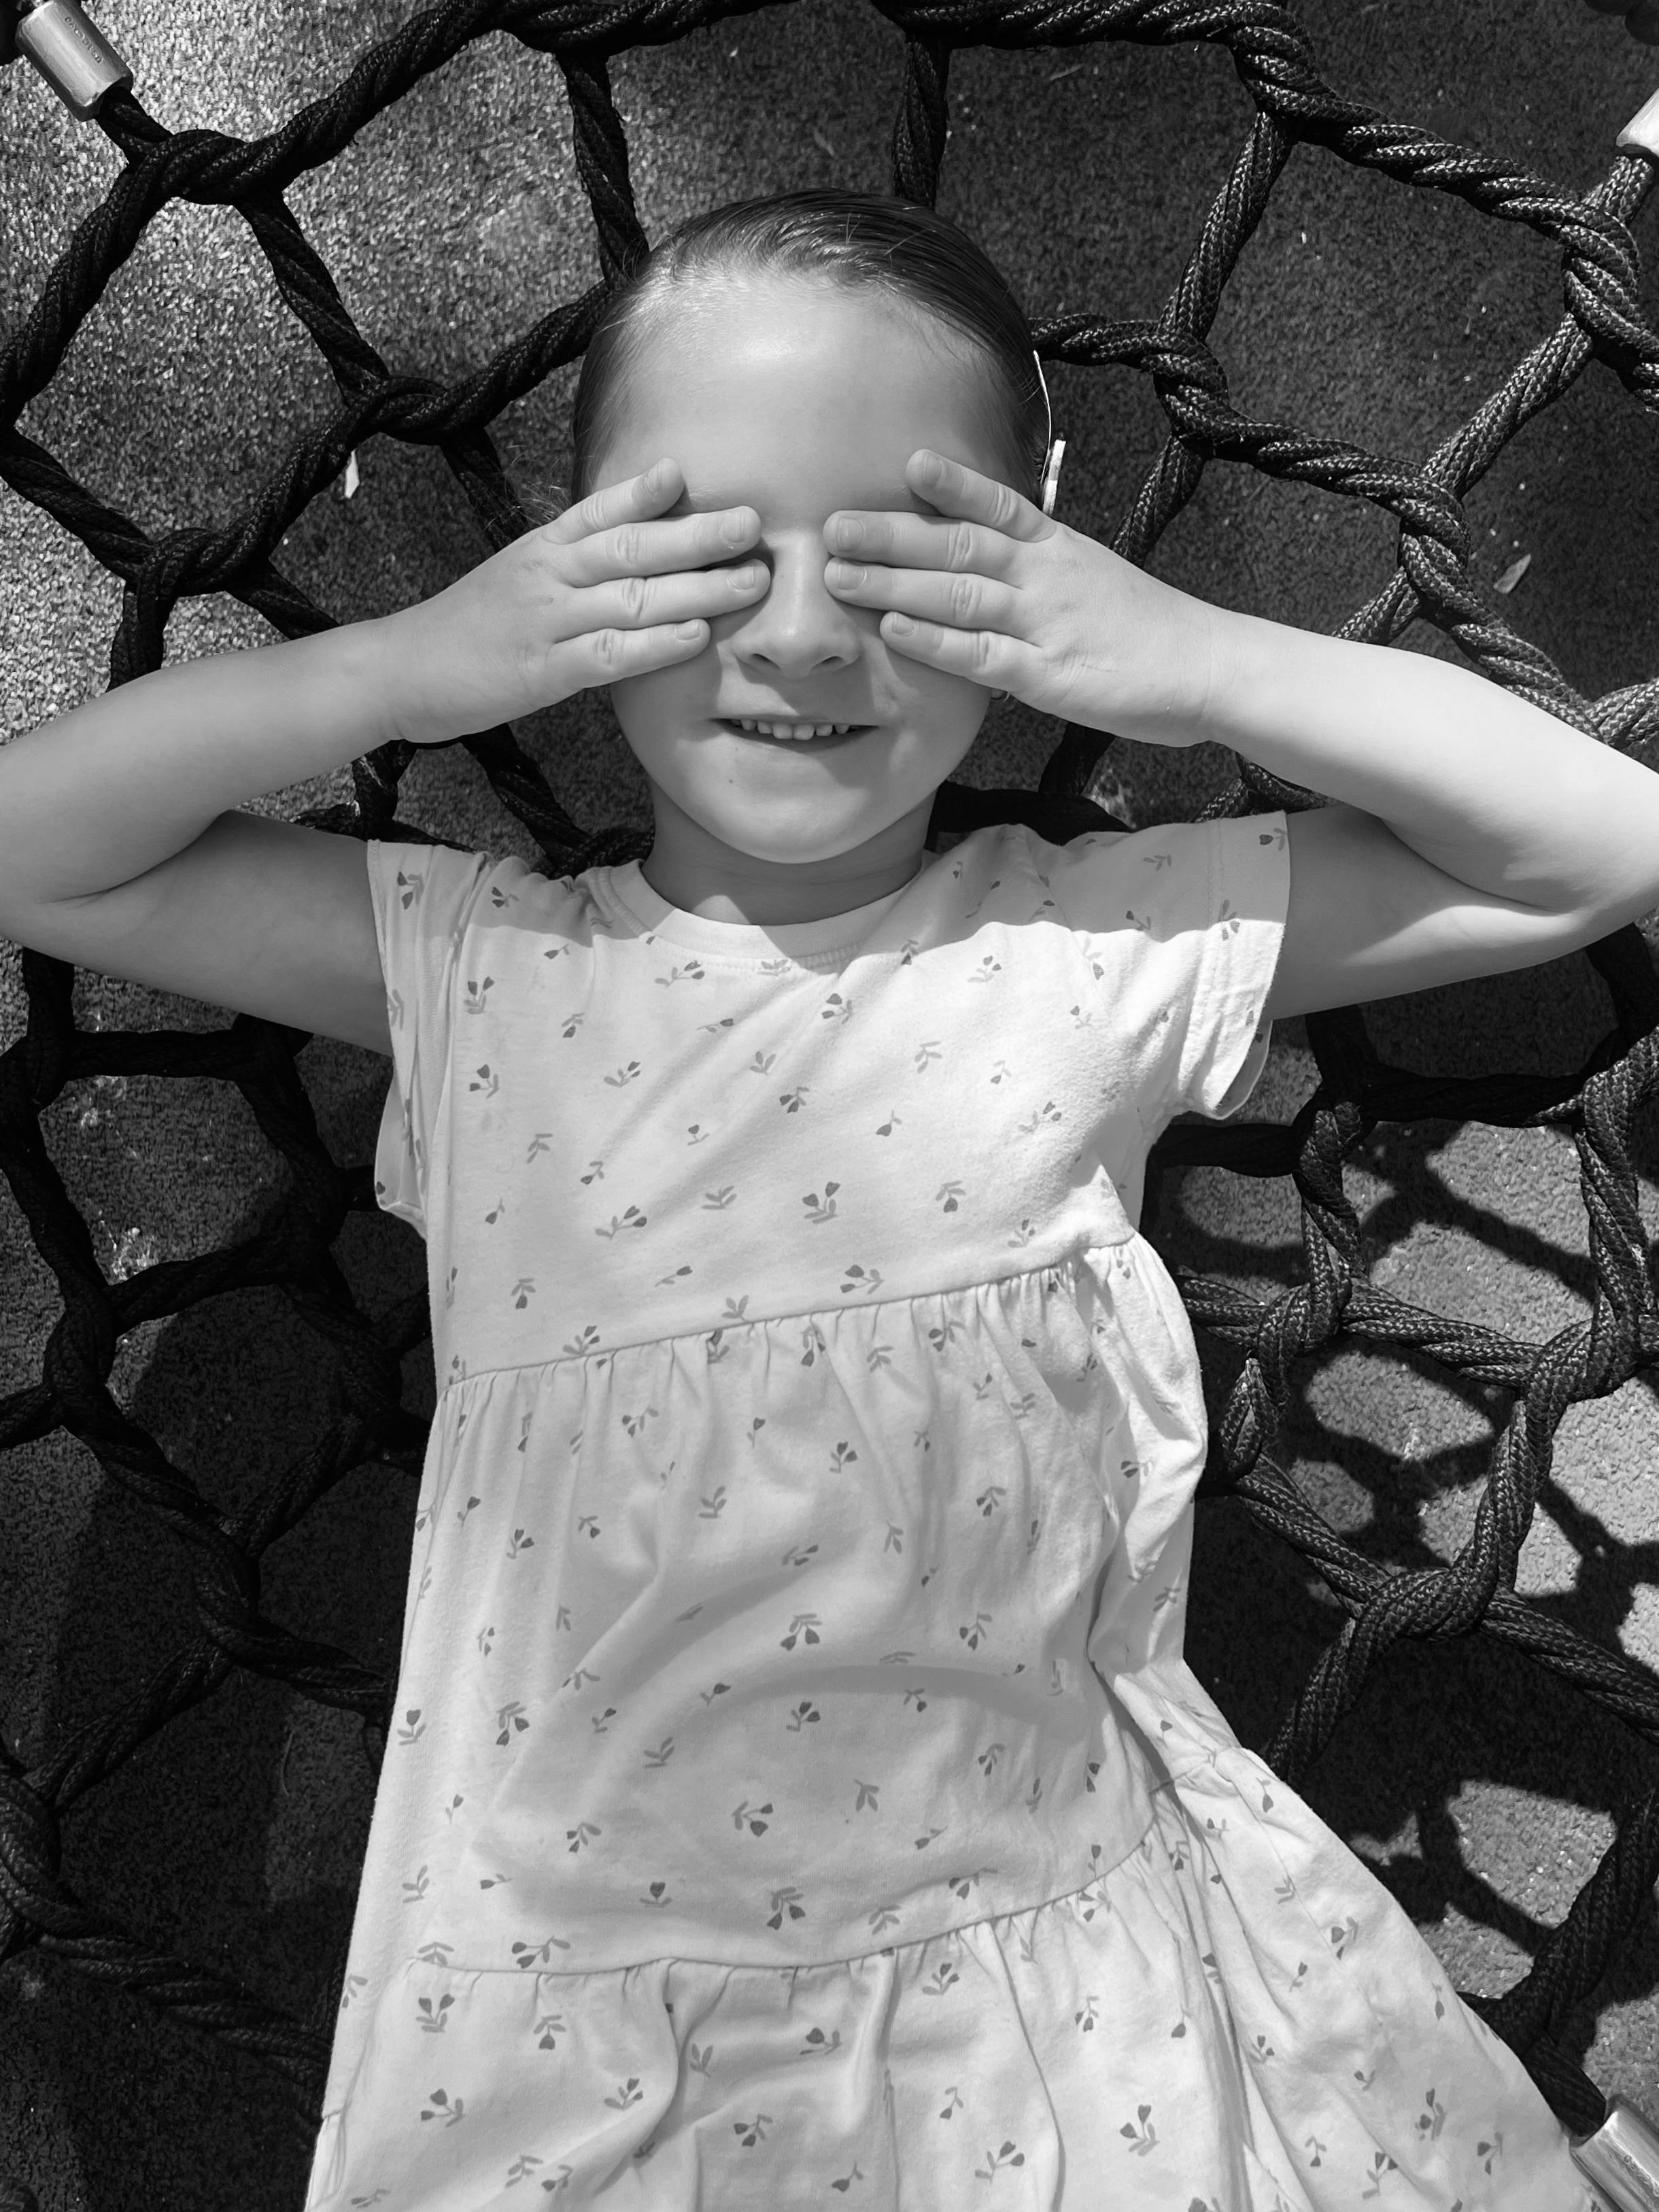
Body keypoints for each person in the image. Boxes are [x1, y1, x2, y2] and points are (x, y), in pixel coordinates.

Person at [0, 186, 1647, 2211]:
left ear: (1029, 543)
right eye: (709, 549)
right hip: (578, 2013)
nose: (799, 633)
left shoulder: (1084, 944)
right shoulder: (485, 968)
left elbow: (1597, 846)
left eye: (894, 554)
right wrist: (411, 666)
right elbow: (31, 844)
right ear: (579, 557)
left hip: (1060, 1962)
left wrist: (1190, 657)